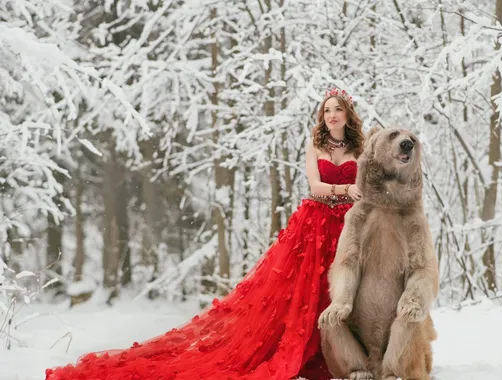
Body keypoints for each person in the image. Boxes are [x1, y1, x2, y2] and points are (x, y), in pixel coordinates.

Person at [44, 87, 365, 380]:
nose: (331, 115)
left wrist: (357, 195)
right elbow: (315, 186)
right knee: (304, 292)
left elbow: (367, 186)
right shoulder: (315, 143)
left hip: (348, 223)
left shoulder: (360, 148)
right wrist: (346, 188)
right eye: (326, 110)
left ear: (348, 114)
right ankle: (309, 355)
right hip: (316, 222)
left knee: (338, 290)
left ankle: (339, 354)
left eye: (337, 109)